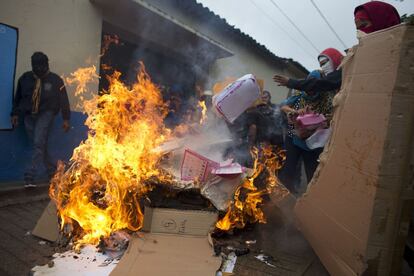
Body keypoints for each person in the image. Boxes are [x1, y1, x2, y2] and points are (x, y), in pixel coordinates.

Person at [11, 52, 70, 188]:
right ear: (32, 65)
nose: (38, 69)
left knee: (38, 143)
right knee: (39, 145)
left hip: (46, 114)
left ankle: (29, 176)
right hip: (28, 115)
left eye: (41, 66)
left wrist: (66, 118)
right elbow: (17, 97)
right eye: (35, 66)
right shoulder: (24, 79)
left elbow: (64, 100)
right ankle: (52, 173)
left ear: (47, 64)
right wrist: (14, 114)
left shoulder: (55, 80)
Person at [278, 70, 334, 194]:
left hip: (313, 142)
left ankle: (309, 200)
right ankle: (283, 195)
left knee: (312, 173)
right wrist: (294, 112)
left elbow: (332, 118)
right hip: (293, 137)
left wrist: (322, 121)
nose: (310, 91)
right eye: (308, 87)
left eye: (314, 88)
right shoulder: (299, 93)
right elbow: (284, 107)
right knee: (288, 168)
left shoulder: (328, 99)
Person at [273, 48, 344, 93]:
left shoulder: (343, 72)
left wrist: (291, 82)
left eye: (324, 63)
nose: (323, 68)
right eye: (321, 65)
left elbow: (319, 83)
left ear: (335, 59)